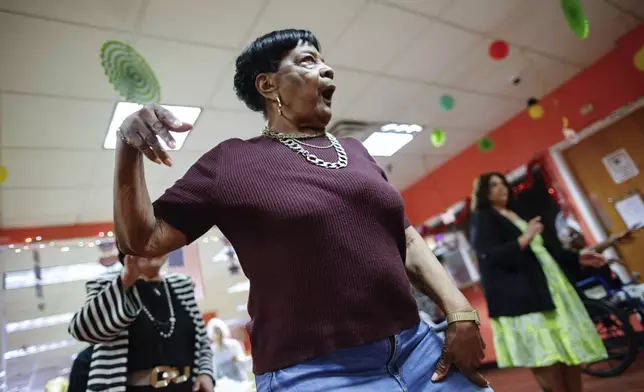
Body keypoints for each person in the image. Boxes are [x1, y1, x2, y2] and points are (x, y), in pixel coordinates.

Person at [113, 28, 491, 392]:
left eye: (325, 63)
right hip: (315, 371)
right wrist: (127, 145)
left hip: (419, 348)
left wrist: (458, 308)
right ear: (268, 85)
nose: (328, 71)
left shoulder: (355, 152)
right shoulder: (231, 162)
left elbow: (404, 237)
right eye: (308, 60)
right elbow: (142, 240)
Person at [470, 172, 608, 392]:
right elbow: (489, 257)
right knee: (547, 356)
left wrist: (578, 257)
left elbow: (543, 250)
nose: (502, 188)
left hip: (553, 289)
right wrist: (525, 237)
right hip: (525, 297)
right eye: (494, 185)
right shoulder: (483, 217)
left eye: (503, 183)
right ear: (483, 192)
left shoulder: (515, 214)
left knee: (569, 351)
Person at [68, 250, 214, 392]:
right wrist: (126, 280)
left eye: (160, 242)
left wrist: (206, 373)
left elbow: (202, 342)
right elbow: (82, 330)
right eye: (144, 242)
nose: (153, 248)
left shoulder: (182, 285)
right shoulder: (107, 286)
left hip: (187, 386)